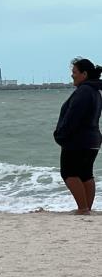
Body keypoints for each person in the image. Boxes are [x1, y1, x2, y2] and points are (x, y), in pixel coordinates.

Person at [54, 58, 102, 215]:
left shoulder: (84, 91)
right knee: (85, 174)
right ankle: (86, 208)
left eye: (74, 72)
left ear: (84, 74)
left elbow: (73, 117)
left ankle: (83, 208)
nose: (72, 75)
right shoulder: (94, 91)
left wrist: (61, 135)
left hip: (78, 141)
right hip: (92, 140)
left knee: (69, 173)